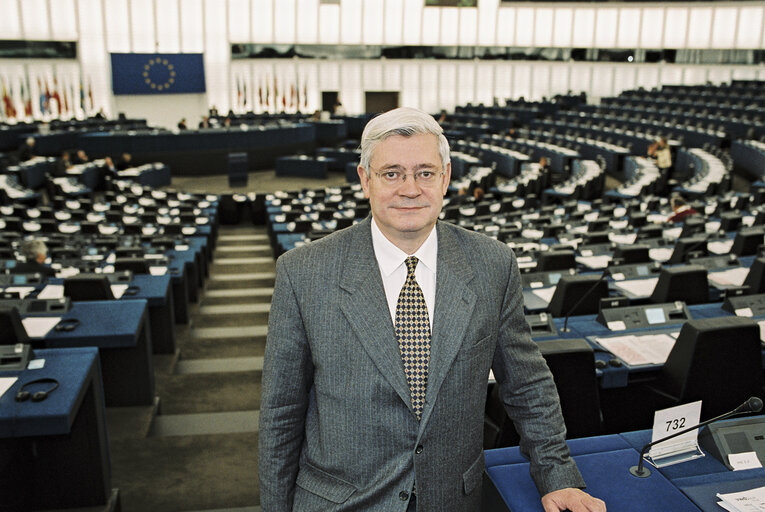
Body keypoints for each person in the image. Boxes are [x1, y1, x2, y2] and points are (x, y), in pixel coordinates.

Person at [259, 107, 606, 512]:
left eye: (424, 172)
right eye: (391, 174)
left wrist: (556, 475)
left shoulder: (492, 264)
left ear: (445, 178)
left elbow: (526, 383)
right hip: (341, 502)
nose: (410, 189)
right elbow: (281, 413)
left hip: (452, 499)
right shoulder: (304, 272)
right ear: (364, 179)